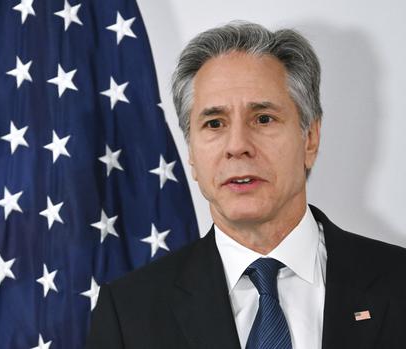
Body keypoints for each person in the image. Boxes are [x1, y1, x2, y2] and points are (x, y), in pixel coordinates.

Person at [85, 21, 406, 349]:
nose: (237, 145)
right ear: (192, 154)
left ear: (310, 138)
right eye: (214, 123)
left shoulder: (399, 283)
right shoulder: (128, 313)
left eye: (263, 118)